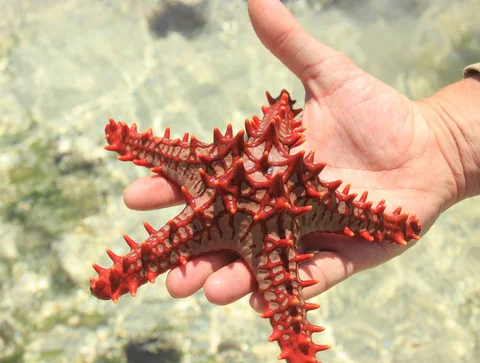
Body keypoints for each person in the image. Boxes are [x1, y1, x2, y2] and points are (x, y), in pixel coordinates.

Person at [121, 0, 480, 313]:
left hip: (242, 211)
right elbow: (279, 117)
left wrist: (448, 146)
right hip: (265, 224)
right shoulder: (292, 185)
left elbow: (279, 116)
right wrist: (448, 144)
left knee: (157, 257)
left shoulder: (215, 168)